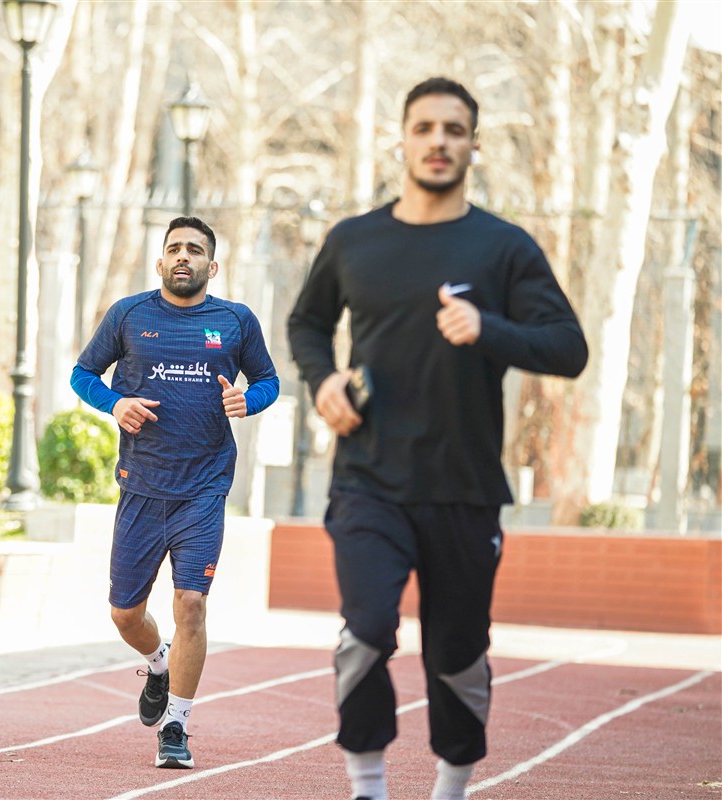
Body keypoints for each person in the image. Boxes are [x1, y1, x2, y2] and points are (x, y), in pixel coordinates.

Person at [287, 78, 587, 800]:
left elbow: (568, 348)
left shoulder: (503, 247)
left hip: (464, 488)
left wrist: (489, 330)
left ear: (473, 146)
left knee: (457, 655)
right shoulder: (354, 240)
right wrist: (323, 381)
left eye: (454, 130)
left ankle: (451, 786)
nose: (438, 142)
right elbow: (307, 323)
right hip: (368, 481)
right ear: (402, 140)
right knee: (365, 631)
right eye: (424, 128)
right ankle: (367, 786)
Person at [71, 216, 280, 769]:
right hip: (142, 486)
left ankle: (176, 725)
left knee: (191, 603)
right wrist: (114, 403)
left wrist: (248, 401)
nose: (183, 256)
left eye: (195, 250)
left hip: (204, 488)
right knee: (125, 615)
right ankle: (158, 663)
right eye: (175, 248)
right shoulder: (129, 314)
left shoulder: (235, 320)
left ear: (213, 266)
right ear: (160, 262)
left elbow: (269, 381)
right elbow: (83, 374)